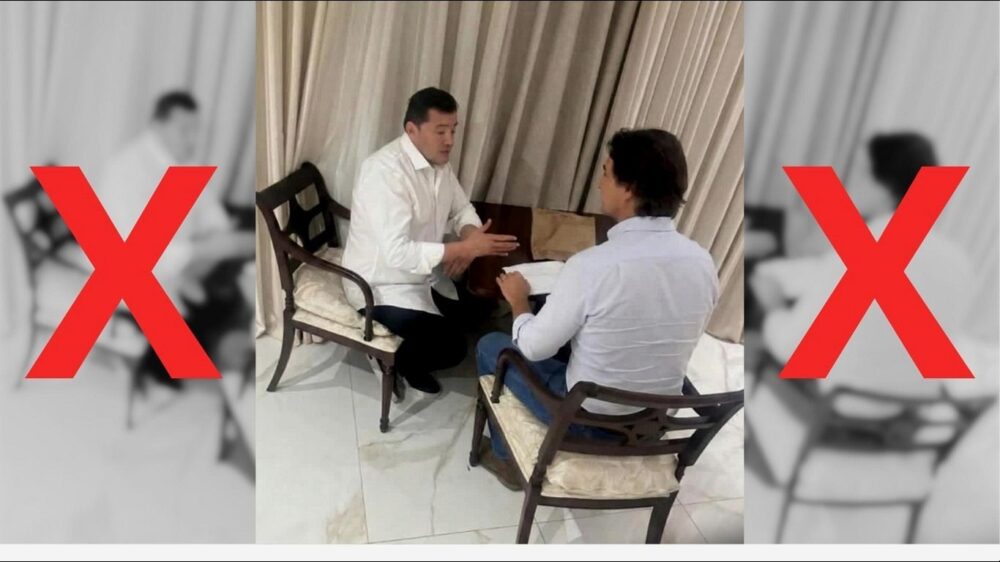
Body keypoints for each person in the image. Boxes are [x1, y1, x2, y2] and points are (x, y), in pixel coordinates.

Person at [475, 128, 720, 490]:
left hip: (588, 420)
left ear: (629, 188)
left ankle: (505, 458)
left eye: (606, 172)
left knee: (491, 346)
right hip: (653, 420)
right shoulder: (703, 263)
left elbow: (533, 349)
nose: (599, 183)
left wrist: (518, 301)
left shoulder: (592, 266)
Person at [751, 132, 975, 399]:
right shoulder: (958, 259)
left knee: (756, 350)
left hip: (848, 408)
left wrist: (773, 307)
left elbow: (794, 350)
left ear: (883, 186)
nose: (849, 184)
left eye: (859, 173)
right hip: (914, 406)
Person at [342, 87, 518, 395]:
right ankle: (399, 363)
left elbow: (461, 209)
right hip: (381, 284)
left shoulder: (439, 162)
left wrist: (470, 237)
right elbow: (397, 253)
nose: (450, 140)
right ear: (412, 130)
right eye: (441, 131)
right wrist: (462, 249)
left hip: (424, 275)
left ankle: (422, 335)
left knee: (479, 313)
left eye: (453, 130)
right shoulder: (384, 172)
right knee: (453, 348)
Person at [94, 90, 254, 390]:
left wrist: (220, 234)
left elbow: (206, 209)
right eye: (184, 130)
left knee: (247, 235)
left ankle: (223, 345)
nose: (193, 139)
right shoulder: (126, 171)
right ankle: (182, 357)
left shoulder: (176, 158)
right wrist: (204, 250)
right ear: (158, 125)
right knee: (221, 289)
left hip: (182, 255)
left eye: (196, 130)